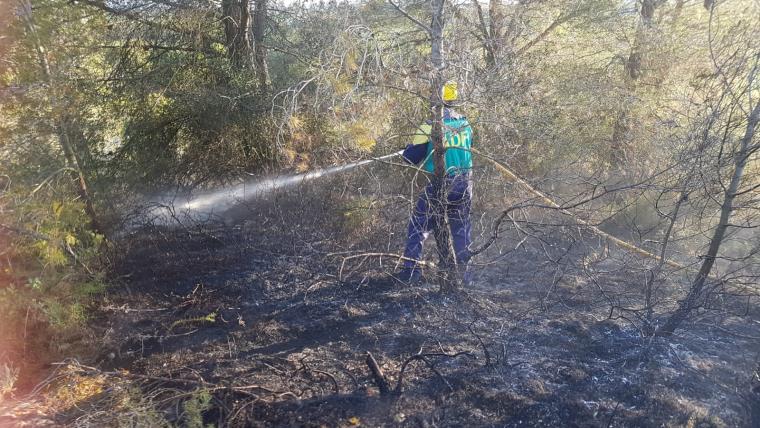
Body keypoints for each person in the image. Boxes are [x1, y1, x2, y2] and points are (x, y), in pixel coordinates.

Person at [398, 81, 473, 284]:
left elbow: (410, 158)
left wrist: (409, 148)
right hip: (465, 184)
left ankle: (410, 273)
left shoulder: (430, 126)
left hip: (441, 184)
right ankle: (465, 277)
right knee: (461, 231)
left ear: (436, 100)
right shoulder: (465, 124)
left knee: (418, 226)